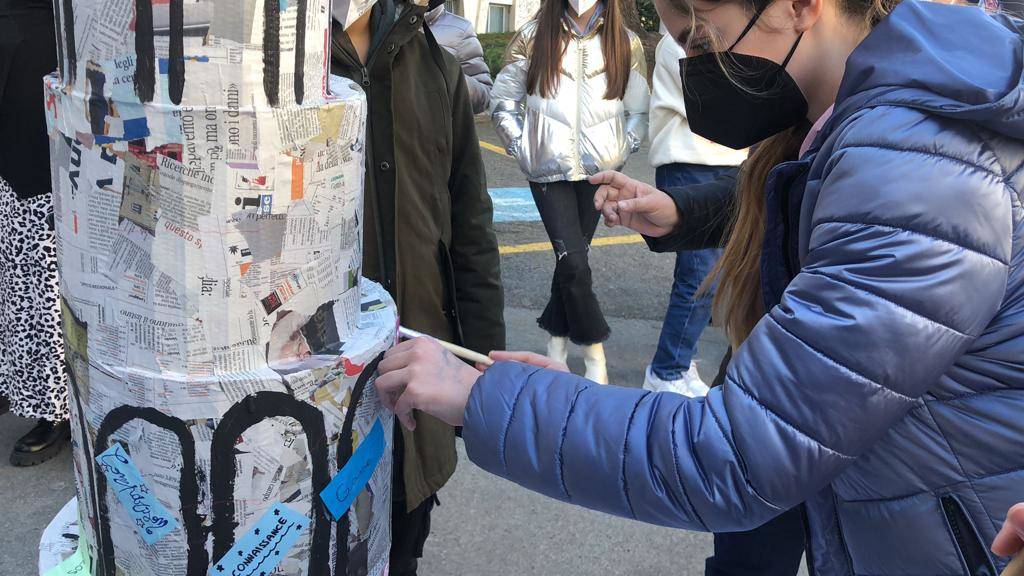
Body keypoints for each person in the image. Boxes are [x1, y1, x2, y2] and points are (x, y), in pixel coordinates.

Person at [376, 0, 1024, 573]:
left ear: (799, 6)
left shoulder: (919, 172)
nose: (693, 68)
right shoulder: (878, 118)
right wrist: (685, 212)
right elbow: (816, 201)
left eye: (703, 41)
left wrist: (486, 397)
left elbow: (737, 457)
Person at [330, 2, 506, 574]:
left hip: (413, 402)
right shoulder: (271, 64)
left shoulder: (435, 67)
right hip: (301, 406)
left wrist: (486, 367)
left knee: (399, 543)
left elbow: (470, 230)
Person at [490, 0, 650, 384]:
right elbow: (502, 101)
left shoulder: (626, 42)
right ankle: (595, 351)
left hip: (600, 170)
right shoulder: (532, 35)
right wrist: (522, 147)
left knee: (571, 262)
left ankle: (556, 347)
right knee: (575, 264)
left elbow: (639, 110)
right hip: (548, 171)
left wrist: (622, 148)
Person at [644, 30, 746, 397]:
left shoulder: (720, 34)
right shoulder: (679, 40)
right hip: (689, 162)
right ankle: (665, 371)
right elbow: (720, 105)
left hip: (730, 165)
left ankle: (679, 362)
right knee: (699, 280)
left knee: (713, 279)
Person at [0, 0, 71, 466]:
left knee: (40, 255)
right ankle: (16, 378)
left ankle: (55, 406)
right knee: (12, 247)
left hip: (38, 47)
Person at [424, 0, 493, 114]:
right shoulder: (386, 21)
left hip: (435, 128)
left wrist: (452, 77)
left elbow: (484, 96)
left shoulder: (460, 29)